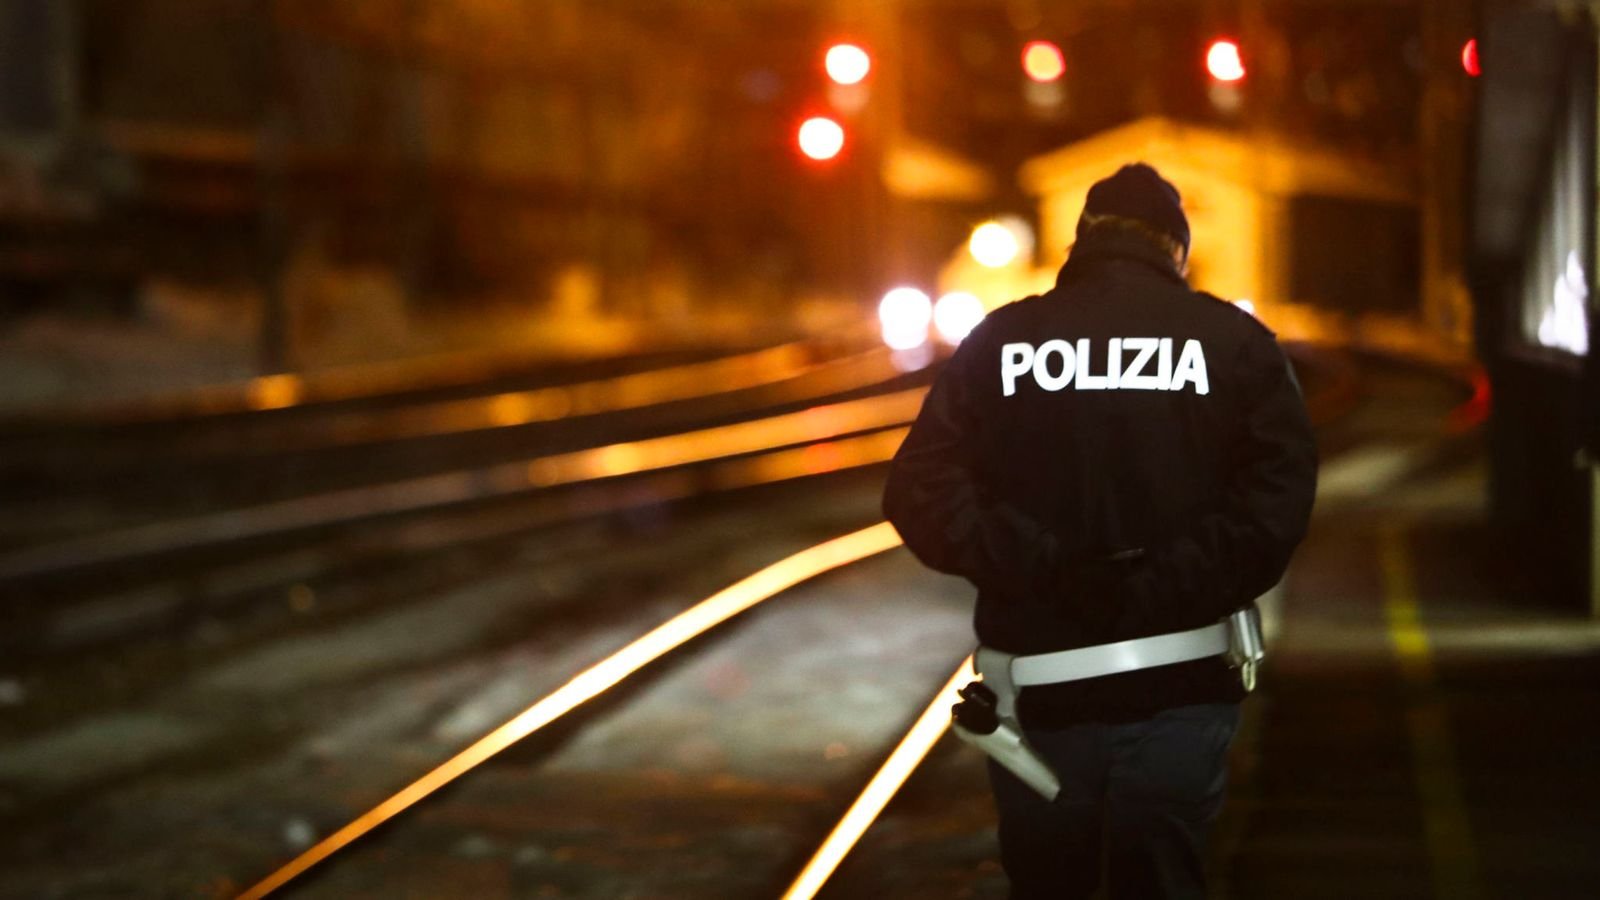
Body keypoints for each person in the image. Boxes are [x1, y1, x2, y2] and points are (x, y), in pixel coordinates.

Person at [882, 163, 1317, 899]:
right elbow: (1276, 500)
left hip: (1041, 692)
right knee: (1160, 877)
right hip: (1181, 680)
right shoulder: (1232, 343)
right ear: (1174, 251)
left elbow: (918, 489)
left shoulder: (1004, 343)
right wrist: (1166, 578)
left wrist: (1042, 565)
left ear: (1081, 243)